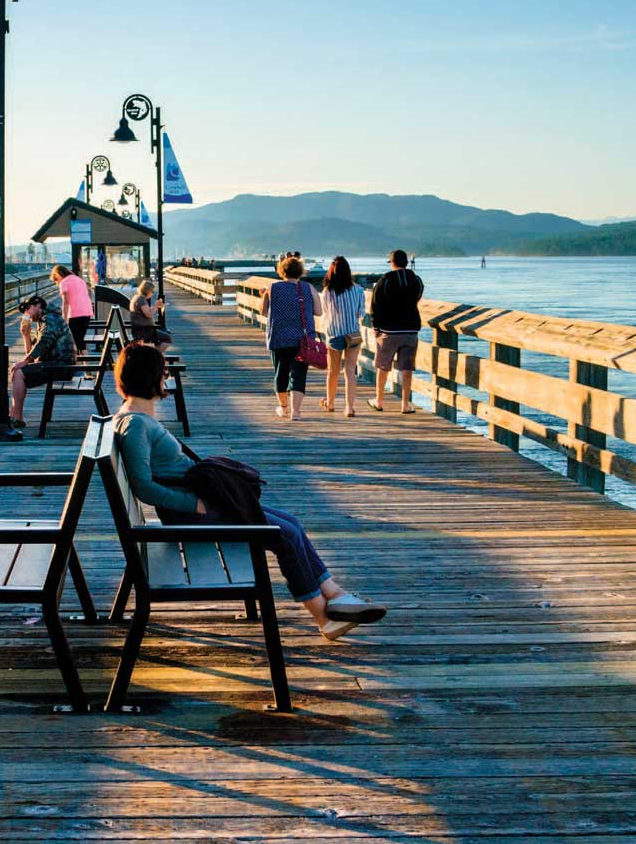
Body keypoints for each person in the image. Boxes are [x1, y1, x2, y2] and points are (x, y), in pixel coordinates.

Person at [112, 343, 387, 640]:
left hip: (197, 506)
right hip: (190, 516)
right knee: (283, 535)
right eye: (162, 371)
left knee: (290, 522)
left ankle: (335, 594)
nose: (165, 377)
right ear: (152, 377)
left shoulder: (137, 417)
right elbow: (142, 487)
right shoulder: (135, 425)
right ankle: (323, 616)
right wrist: (194, 504)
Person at [258, 254, 321, 421]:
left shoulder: (272, 288)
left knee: (281, 373)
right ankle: (296, 412)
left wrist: (263, 296)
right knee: (299, 374)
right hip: (302, 339)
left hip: (279, 338)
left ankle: (284, 408)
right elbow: (319, 311)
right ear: (300, 272)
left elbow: (263, 311)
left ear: (282, 271)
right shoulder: (308, 288)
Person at [8, 295, 77, 428]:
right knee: (18, 371)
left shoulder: (50, 318)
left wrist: (26, 361)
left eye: (28, 308)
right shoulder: (43, 321)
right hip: (57, 363)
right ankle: (14, 415)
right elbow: (32, 350)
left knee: (19, 373)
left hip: (62, 366)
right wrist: (26, 335)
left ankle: (16, 417)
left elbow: (45, 342)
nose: (27, 313)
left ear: (38, 305)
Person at [370, 248, 425, 414]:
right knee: (407, 367)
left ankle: (379, 401)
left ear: (392, 263)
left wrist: (375, 326)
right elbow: (418, 297)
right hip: (410, 328)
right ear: (406, 263)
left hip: (389, 330)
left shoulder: (385, 280)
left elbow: (375, 305)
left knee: (383, 365)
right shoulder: (416, 280)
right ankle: (405, 404)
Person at [319, 256, 365, 417]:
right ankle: (349, 407)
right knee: (350, 371)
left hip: (334, 334)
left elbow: (325, 314)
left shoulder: (327, 292)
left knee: (333, 371)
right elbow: (361, 313)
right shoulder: (358, 290)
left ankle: (330, 403)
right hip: (352, 334)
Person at [52, 264, 94, 349]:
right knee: (80, 339)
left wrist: (64, 318)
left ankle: (80, 360)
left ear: (58, 274)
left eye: (56, 279)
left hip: (75, 314)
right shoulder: (79, 279)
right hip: (87, 312)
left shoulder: (64, 283)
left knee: (74, 340)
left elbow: (66, 302)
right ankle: (83, 360)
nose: (57, 282)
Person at [130, 278, 169, 346]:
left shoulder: (137, 297)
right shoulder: (141, 300)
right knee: (167, 339)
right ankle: (155, 355)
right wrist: (156, 306)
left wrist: (156, 306)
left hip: (140, 330)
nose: (153, 293)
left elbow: (145, 312)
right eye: (152, 291)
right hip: (144, 331)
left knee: (164, 338)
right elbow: (149, 315)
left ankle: (153, 354)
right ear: (148, 291)